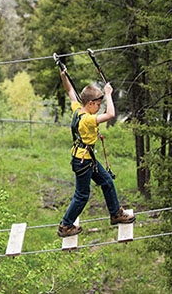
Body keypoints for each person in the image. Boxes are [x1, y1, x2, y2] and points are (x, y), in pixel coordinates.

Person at [57, 68, 136, 237]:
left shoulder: (77, 109)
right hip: (83, 161)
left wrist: (64, 76)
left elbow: (70, 90)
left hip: (86, 158)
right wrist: (108, 94)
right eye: (98, 105)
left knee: (107, 181)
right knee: (82, 195)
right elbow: (111, 114)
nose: (99, 108)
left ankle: (115, 214)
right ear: (90, 103)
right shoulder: (87, 119)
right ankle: (65, 225)